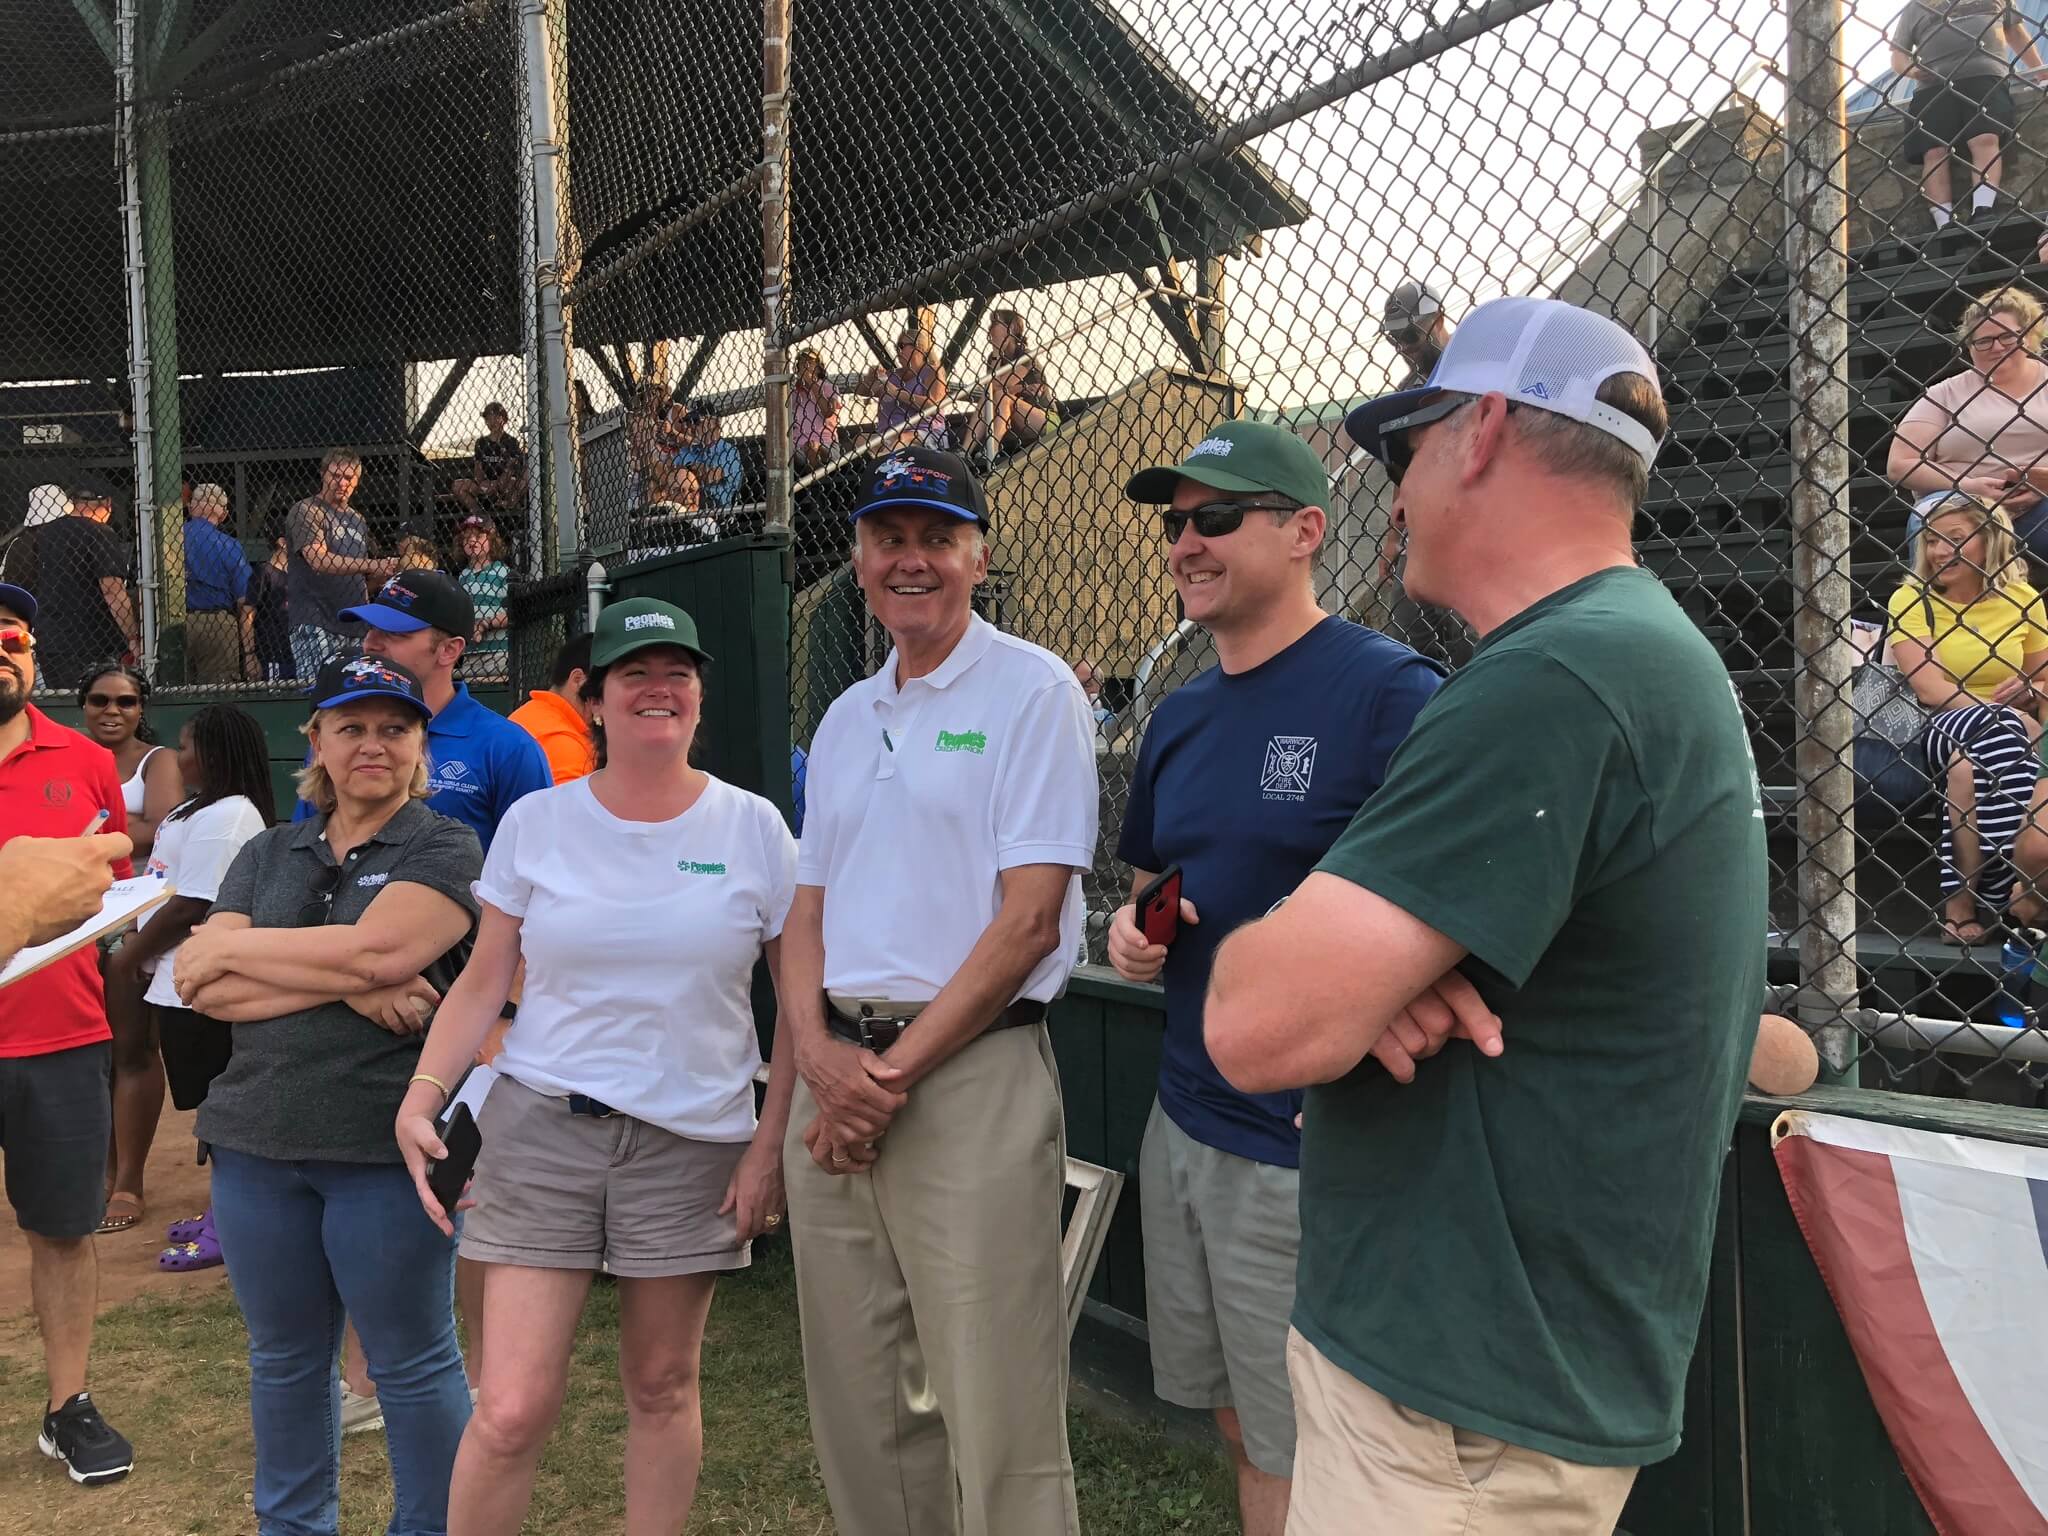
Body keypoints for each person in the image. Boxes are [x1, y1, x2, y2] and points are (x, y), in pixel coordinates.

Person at [1205, 297, 1762, 1533]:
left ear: (1489, 428)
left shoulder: (1557, 675)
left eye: (1408, 445)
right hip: (1497, 1381)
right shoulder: (1639, 649)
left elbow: (1252, 1024)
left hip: (1455, 1404)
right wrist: (1369, 977)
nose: (1392, 487)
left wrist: (1338, 968)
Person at [396, 596, 798, 1534]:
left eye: (677, 675)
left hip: (693, 1139)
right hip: (541, 1129)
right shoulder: (539, 822)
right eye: (634, 675)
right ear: (598, 700)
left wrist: (768, 1143)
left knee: (662, 1385)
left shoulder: (756, 830)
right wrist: (425, 1094)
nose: (658, 690)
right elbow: (485, 981)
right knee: (509, 1408)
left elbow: (795, 1009)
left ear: (698, 697)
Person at [1108, 420, 1443, 1535]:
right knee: (1243, 1424)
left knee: (1324, 1441)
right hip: (1185, 1115)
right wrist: (1132, 933)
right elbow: (1165, 876)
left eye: (1214, 518)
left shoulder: (1388, 691)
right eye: (1174, 523)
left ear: (1305, 531)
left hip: (1311, 1144)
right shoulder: (1182, 712)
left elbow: (1442, 908)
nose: (1185, 544)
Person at [785, 446, 1097, 1535]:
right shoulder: (842, 717)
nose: (908, 560)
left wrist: (884, 1077)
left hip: (962, 1075)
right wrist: (823, 1064)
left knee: (995, 1403)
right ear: (859, 559)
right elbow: (803, 915)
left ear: (977, 553)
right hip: (836, 1077)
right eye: (887, 538)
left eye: (934, 537)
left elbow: (1026, 924)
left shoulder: (1031, 691)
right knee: (860, 1400)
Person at [171, 654, 479, 1533]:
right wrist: (352, 979)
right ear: (316, 740)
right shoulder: (270, 850)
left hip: (386, 1148)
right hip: (256, 1145)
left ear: (421, 744)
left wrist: (302, 956)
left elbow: (380, 953)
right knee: (285, 1362)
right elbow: (205, 982)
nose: (373, 744)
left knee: (413, 1363)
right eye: (352, 726)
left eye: (395, 727)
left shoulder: (444, 846)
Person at [293, 567, 549, 1427]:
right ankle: (365, 1380)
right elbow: (312, 866)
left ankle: (477, 1375)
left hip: (474, 1012)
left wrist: (504, 1014)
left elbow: (545, 888)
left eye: (393, 632)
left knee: (468, 1194)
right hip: (371, 998)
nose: (372, 643)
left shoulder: (504, 745)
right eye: (368, 629)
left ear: (449, 648)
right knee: (373, 1185)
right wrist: (367, 980)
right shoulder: (342, 734)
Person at [0, 580, 137, 1486]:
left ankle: (68, 1405)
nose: (0, 649)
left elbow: (112, 890)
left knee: (60, 1229)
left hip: (57, 1036)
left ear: (33, 653)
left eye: (12, 633)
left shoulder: (85, 761)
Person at [102, 705, 274, 1273]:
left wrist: (132, 954)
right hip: (176, 981)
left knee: (223, 1100)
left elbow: (193, 902)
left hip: (205, 978)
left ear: (216, 752)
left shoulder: (228, 816)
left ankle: (234, 1221)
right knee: (207, 1099)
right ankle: (224, 1207)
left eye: (187, 744)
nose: (179, 754)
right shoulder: (197, 809)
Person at [1888, 493, 2048, 942]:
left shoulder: (2023, 598)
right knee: (1998, 733)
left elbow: (2043, 678)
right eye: (1932, 539)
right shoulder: (1910, 598)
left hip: (2001, 739)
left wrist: (2031, 691)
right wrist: (2006, 715)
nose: (1939, 550)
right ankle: (2014, 891)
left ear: (1991, 542)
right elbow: (1929, 687)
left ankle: (1965, 901)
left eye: (1955, 538)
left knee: (1967, 769)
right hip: (1936, 723)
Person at [1888, 286, 2048, 564]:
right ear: (1969, 347)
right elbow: (1901, 463)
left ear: (2031, 336)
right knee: (1933, 521)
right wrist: (1969, 485)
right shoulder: (1944, 393)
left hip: (2042, 504)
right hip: (1961, 502)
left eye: (2007, 336)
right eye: (1983, 341)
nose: (1996, 347)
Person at [1376, 280, 1473, 671]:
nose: (1403, 347)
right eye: (1393, 337)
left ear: (1438, 320)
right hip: (1423, 532)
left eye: (1411, 335)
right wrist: (1392, 537)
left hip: (1474, 528)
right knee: (1403, 639)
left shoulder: (1475, 368)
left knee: (1471, 642)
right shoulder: (1407, 389)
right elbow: (1404, 470)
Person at [1889, 0, 2043, 230]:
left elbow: (2015, 34)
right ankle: (1944, 221)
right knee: (1934, 151)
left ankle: (1983, 208)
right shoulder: (1916, 6)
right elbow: (1898, 56)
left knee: (1985, 138)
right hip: (1933, 85)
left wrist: (2041, 73)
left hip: (1987, 77)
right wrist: (1912, 70)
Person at [5, 478, 137, 686]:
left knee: (58, 697)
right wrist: (132, 635)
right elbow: (112, 590)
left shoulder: (27, 542)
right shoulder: (97, 533)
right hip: (91, 637)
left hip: (43, 635)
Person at [286, 449, 399, 679]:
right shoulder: (307, 510)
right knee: (320, 691)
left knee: (353, 693)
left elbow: (360, 575)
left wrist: (385, 571)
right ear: (323, 475)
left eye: (348, 478)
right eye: (335, 476)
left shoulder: (358, 519)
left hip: (354, 622)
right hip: (316, 619)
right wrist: (371, 565)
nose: (341, 483)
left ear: (357, 481)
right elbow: (317, 559)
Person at [77, 663, 182, 863]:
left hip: (137, 878)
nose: (112, 710)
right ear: (84, 704)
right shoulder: (66, 752)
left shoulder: (159, 759)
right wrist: (129, 821)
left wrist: (81, 833)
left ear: (140, 708)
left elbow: (160, 830)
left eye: (126, 702)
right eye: (99, 701)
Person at [959, 308, 1058, 465]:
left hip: (1044, 418)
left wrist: (1009, 388)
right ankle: (965, 450)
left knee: (1000, 396)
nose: (990, 328)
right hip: (1014, 420)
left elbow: (1000, 384)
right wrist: (997, 354)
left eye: (995, 323)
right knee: (991, 395)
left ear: (1011, 327)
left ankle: (992, 448)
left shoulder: (1025, 355)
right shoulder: (994, 358)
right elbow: (992, 389)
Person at [181, 483, 256, 685]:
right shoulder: (229, 545)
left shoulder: (171, 537)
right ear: (223, 513)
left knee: (172, 686)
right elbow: (244, 601)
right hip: (218, 624)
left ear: (191, 507)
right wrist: (249, 652)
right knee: (219, 690)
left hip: (175, 622)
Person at [508, 632, 597, 783]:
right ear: (578, 680)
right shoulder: (562, 744)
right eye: (604, 691)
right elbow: (570, 806)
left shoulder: (536, 712)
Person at [861, 330, 950, 450]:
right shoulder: (891, 375)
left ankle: (884, 461)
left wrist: (896, 393)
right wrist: (869, 378)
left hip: (923, 432)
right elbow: (864, 391)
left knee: (901, 439)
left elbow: (934, 406)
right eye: (896, 347)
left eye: (901, 346)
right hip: (887, 435)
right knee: (860, 439)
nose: (898, 351)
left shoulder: (932, 372)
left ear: (919, 347)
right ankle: (882, 456)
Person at [454, 513, 512, 682]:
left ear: (492, 541)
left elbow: (512, 613)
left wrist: (486, 623)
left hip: (497, 650)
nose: (472, 541)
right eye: (466, 538)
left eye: (479, 536)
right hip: (471, 651)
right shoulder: (463, 576)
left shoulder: (502, 572)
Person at [453, 402, 529, 520]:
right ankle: (480, 514)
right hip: (486, 484)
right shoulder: (481, 443)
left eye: (495, 418)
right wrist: (482, 483)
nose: (491, 422)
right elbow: (478, 469)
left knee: (514, 481)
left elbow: (509, 469)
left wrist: (497, 485)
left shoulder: (511, 442)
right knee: (458, 485)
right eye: (488, 419)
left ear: (503, 419)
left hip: (504, 484)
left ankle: (510, 505)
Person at [673, 408, 744, 513]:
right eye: (688, 422)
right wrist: (694, 471)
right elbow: (671, 476)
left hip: (716, 509)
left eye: (696, 422)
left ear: (714, 423)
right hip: (684, 507)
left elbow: (710, 476)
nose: (691, 427)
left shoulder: (729, 451)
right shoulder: (687, 451)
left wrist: (688, 472)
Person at [249, 521, 293, 683]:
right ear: (282, 542)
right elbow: (247, 614)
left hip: (295, 648)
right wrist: (249, 655)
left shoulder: (298, 574)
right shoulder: (263, 572)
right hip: (271, 652)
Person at [792, 347, 842, 473]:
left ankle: (813, 476)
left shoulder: (829, 388)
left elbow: (827, 412)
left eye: (810, 362)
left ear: (819, 367)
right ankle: (813, 471)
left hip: (826, 441)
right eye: (802, 363)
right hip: (799, 444)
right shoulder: (794, 393)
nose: (805, 366)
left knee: (814, 447)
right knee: (805, 447)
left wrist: (812, 382)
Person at [1072, 658, 1115, 727]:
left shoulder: (1113, 720)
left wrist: (1096, 711)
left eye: (1086, 685)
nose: (1080, 691)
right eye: (1076, 685)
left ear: (1100, 687)